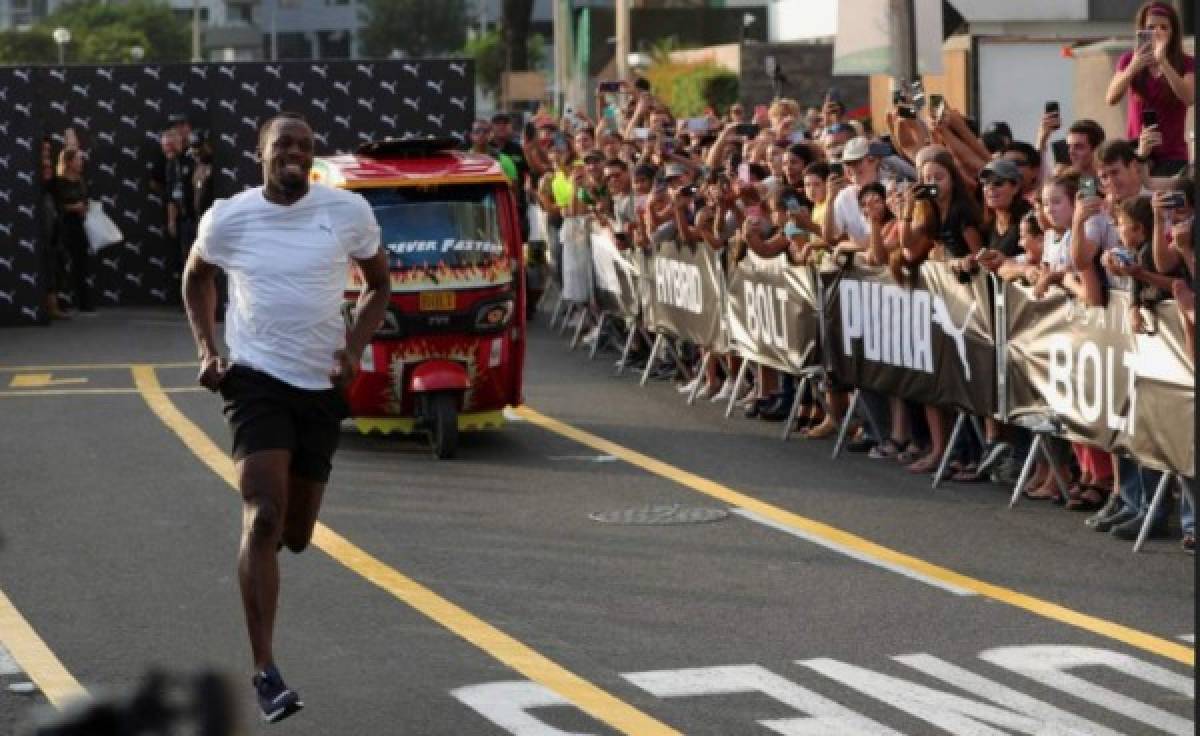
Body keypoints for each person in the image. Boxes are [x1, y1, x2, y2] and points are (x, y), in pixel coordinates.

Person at [180, 112, 391, 723]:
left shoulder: (346, 212)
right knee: (263, 516)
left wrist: (354, 349)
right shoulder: (230, 216)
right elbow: (197, 276)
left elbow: (379, 284)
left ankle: (282, 548)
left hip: (321, 383)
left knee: (296, 533)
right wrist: (207, 346)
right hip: (255, 379)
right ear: (261, 154)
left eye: (304, 145)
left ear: (314, 155)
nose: (294, 153)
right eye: (283, 145)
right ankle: (265, 671)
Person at [1106, 1, 1195, 177]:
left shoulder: (1186, 63)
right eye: (1151, 27)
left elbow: (1189, 97)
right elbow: (1111, 97)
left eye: (1164, 28)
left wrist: (1163, 62)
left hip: (1172, 155)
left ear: (1173, 33)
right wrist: (1134, 66)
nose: (1157, 32)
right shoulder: (1128, 60)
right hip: (1138, 152)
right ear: (1142, 30)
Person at [54, 147, 94, 315]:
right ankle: (61, 301)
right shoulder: (59, 182)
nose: (81, 162)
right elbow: (56, 205)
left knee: (81, 264)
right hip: (64, 227)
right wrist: (72, 207)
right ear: (69, 162)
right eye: (78, 159)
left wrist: (84, 207)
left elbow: (84, 199)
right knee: (62, 264)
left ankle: (83, 301)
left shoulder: (80, 180)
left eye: (81, 159)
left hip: (80, 225)